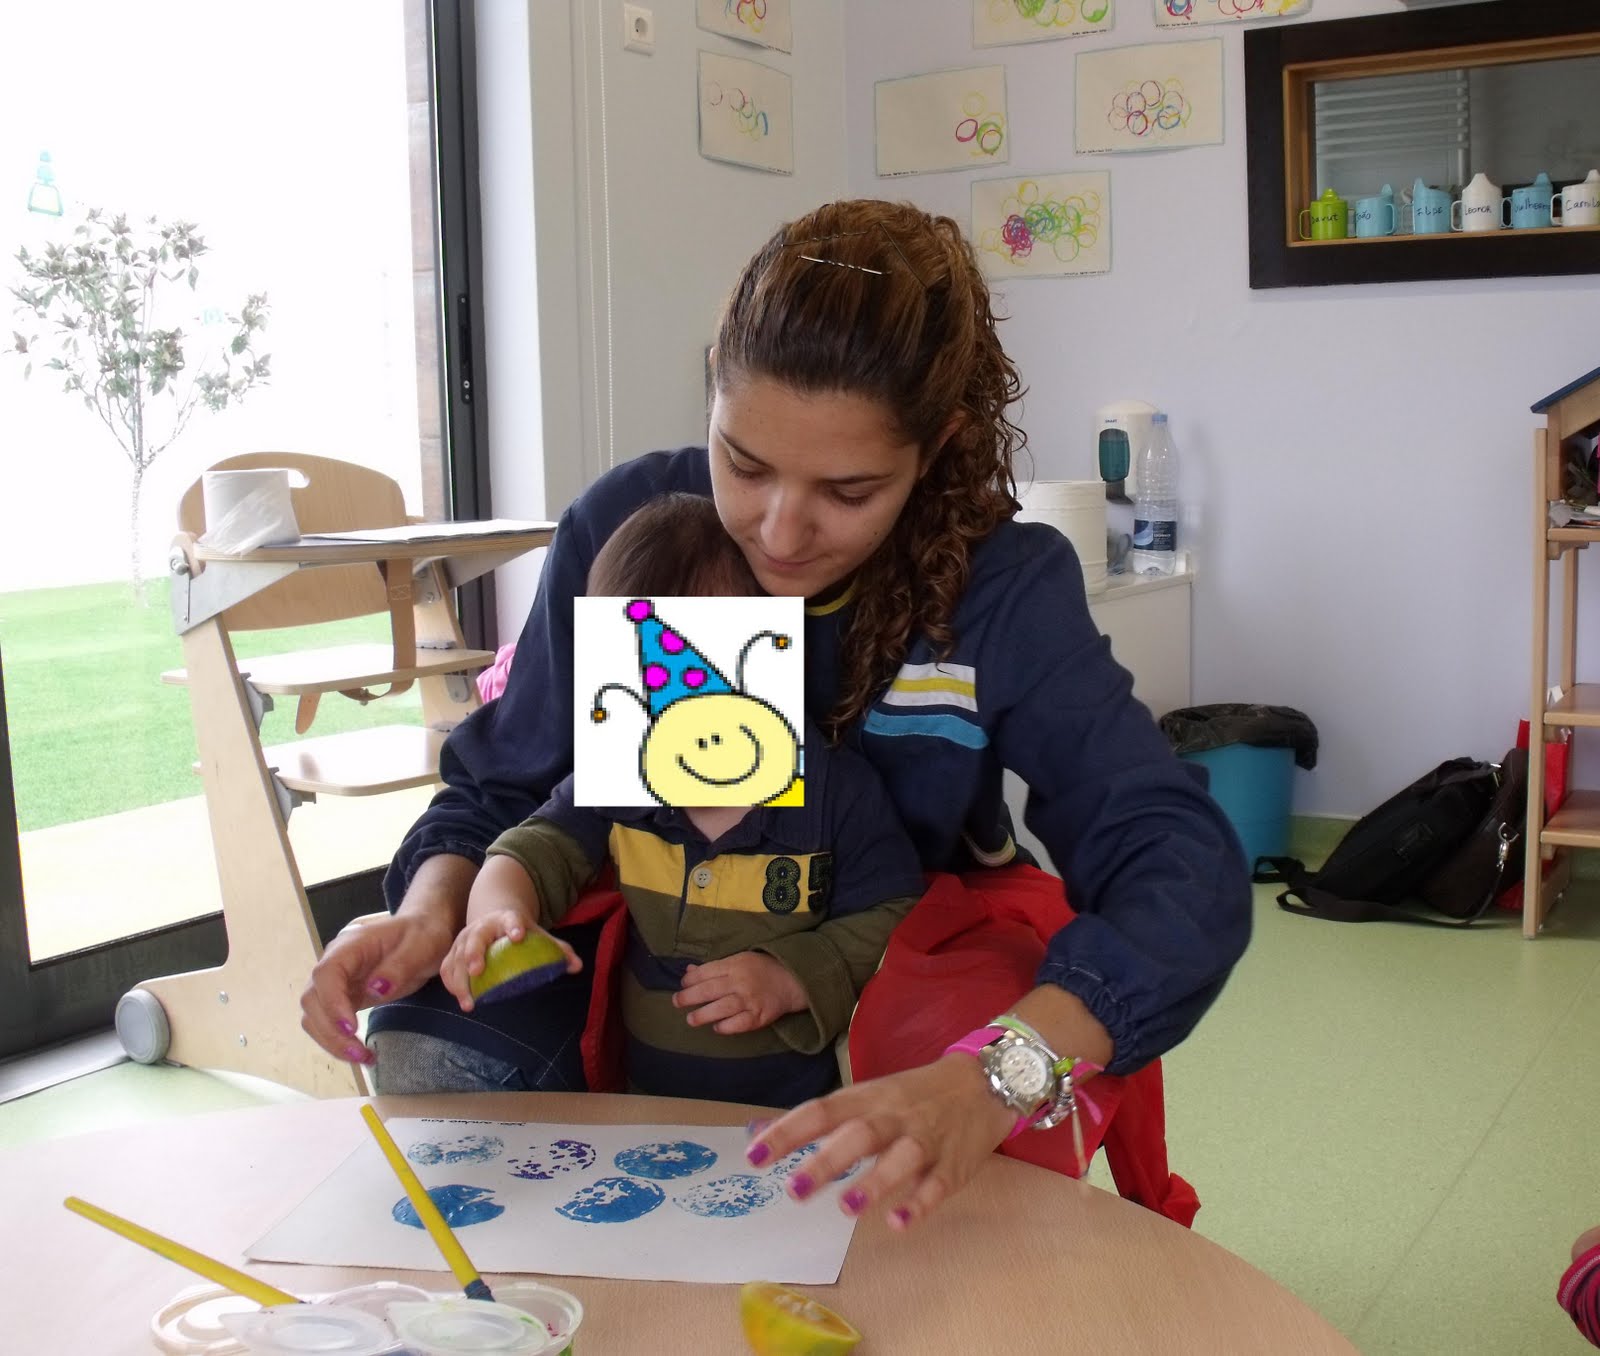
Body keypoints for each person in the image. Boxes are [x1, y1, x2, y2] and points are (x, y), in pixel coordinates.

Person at [301, 198, 1252, 1231]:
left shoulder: (999, 587)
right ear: (714, 386)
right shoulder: (631, 530)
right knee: (437, 1033)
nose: (780, 533)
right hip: (651, 910)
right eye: (743, 466)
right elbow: (503, 786)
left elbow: (1175, 862)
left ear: (936, 447)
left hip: (888, 940)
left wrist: (995, 1075)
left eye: (849, 491)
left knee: (963, 1124)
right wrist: (430, 911)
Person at [439, 494, 925, 1108]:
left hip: (796, 1116)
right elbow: (530, 853)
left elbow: (895, 912)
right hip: (647, 1110)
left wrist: (793, 974)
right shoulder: (619, 779)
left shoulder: (836, 792)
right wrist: (497, 915)